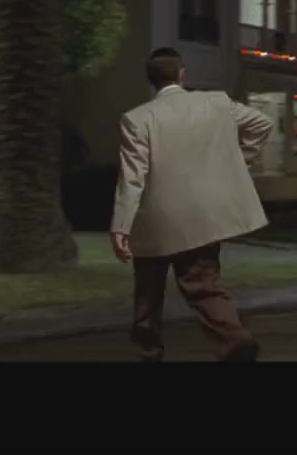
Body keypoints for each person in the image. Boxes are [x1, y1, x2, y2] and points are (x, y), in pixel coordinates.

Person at [111, 47, 274, 362]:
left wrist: (121, 227)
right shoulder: (217, 103)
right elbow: (262, 124)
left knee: (147, 292)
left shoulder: (137, 119)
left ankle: (148, 350)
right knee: (204, 285)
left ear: (151, 80)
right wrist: (239, 161)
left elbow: (132, 178)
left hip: (157, 220)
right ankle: (234, 339)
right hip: (204, 218)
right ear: (182, 74)